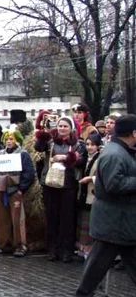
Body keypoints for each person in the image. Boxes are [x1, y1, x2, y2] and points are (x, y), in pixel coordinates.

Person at [76, 114, 136, 296]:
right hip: (113, 225)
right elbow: (114, 185)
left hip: (122, 225)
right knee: (92, 276)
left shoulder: (120, 151)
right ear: (133, 133)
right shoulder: (115, 154)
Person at [35, 116, 86, 263]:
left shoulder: (78, 144)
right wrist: (43, 133)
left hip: (68, 185)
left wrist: (65, 157)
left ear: (71, 128)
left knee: (67, 219)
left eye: (65, 126)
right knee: (52, 218)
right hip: (50, 183)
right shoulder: (51, 142)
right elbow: (38, 147)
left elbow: (81, 160)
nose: (62, 129)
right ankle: (52, 249)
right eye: (60, 126)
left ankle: (66, 250)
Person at [0, 128, 35, 257]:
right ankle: (4, 244)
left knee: (17, 219)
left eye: (11, 139)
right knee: (1, 218)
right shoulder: (1, 153)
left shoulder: (22, 154)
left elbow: (29, 173)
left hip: (15, 189)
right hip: (2, 189)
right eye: (7, 139)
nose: (9, 141)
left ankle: (20, 245)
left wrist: (21, 189)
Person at [77, 134, 102, 259]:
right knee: (84, 222)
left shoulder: (100, 158)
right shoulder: (85, 158)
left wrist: (91, 178)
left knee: (90, 223)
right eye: (87, 144)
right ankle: (83, 248)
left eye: (92, 145)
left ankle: (90, 249)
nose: (89, 147)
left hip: (92, 195)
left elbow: (103, 176)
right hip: (83, 195)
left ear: (98, 146)